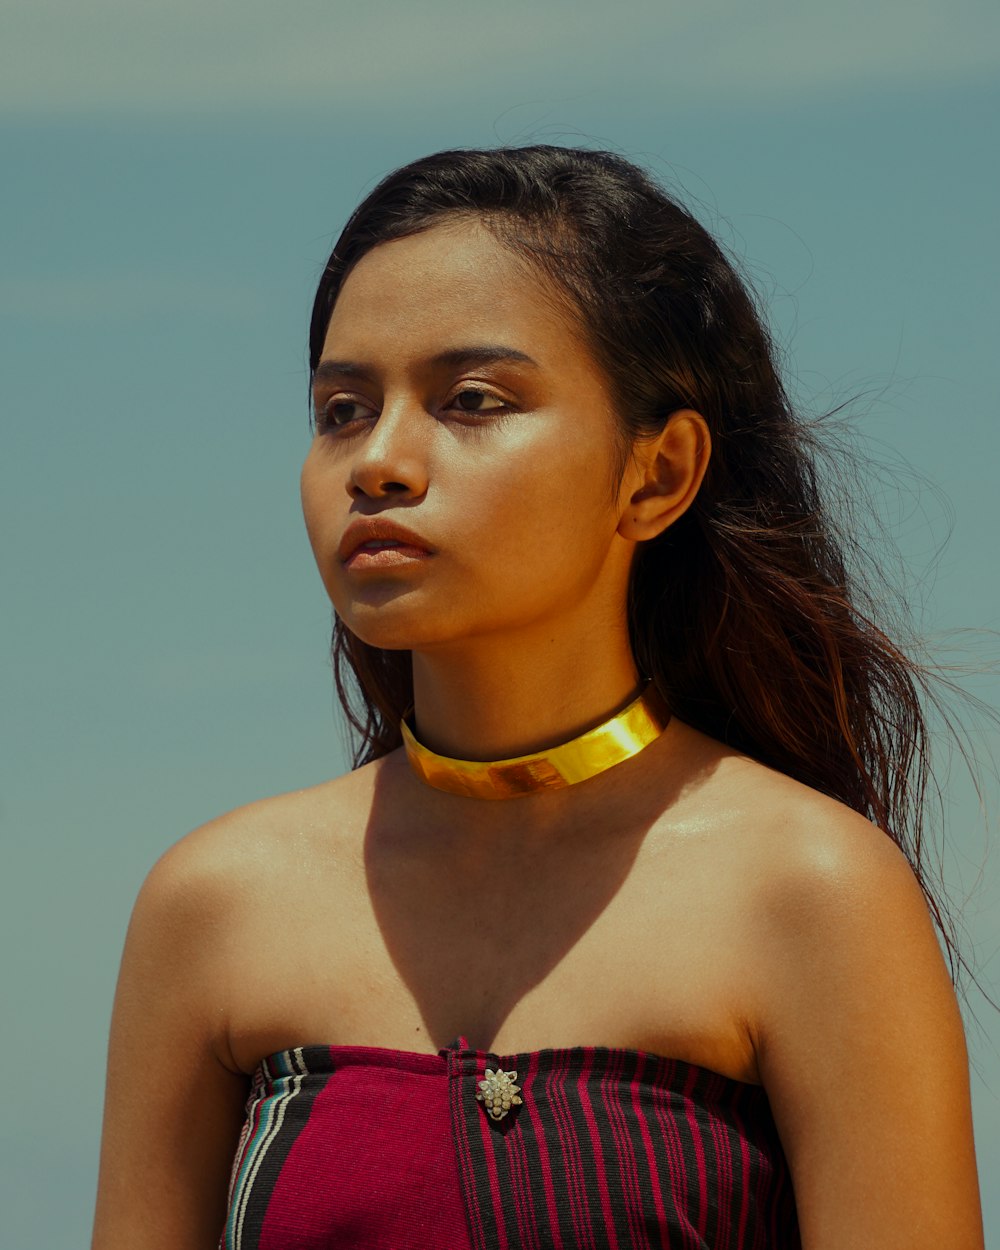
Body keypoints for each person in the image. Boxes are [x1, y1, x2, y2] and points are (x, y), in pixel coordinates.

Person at [91, 146, 986, 1249]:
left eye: (471, 399)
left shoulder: (810, 890)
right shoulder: (215, 905)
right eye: (341, 407)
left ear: (654, 474)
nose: (379, 459)